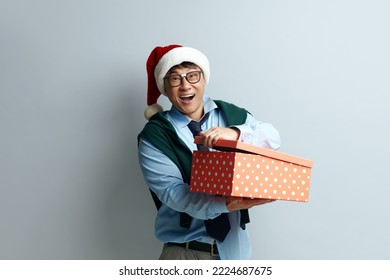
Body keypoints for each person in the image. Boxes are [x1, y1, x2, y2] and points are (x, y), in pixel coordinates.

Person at [137, 44, 281, 260]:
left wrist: (236, 133)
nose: (185, 86)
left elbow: (272, 137)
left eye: (192, 76)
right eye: (175, 79)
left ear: (204, 79)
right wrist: (226, 204)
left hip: (235, 253)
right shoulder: (155, 135)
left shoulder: (230, 115)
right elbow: (174, 193)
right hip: (185, 254)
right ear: (165, 87)